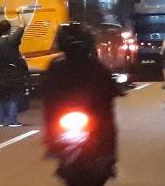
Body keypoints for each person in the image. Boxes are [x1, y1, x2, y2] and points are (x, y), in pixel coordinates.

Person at [41, 23, 119, 186]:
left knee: (105, 122)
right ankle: (108, 157)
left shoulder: (60, 65)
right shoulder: (63, 66)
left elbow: (108, 90)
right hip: (65, 115)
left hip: (90, 116)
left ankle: (107, 156)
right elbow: (46, 92)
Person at [0, 20, 27, 127]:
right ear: (9, 29)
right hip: (12, 71)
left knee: (0, 96)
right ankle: (12, 120)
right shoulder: (12, 40)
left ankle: (0, 120)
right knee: (13, 95)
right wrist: (21, 15)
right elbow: (22, 27)